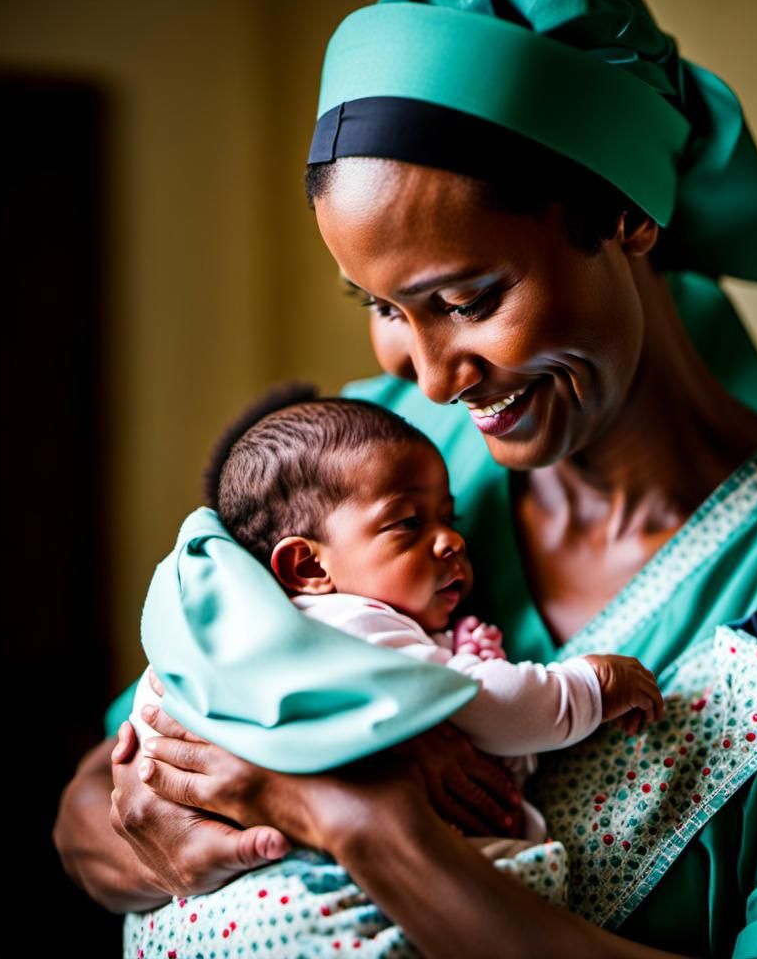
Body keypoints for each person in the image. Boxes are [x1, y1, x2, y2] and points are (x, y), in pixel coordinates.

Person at [55, 0, 757, 957]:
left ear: (629, 215)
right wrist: (159, 839)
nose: (432, 378)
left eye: (467, 300)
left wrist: (365, 826)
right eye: (383, 307)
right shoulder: (367, 459)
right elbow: (96, 796)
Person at [121, 388, 663, 955]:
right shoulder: (348, 624)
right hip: (308, 901)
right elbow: (485, 703)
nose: (452, 540)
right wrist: (589, 687)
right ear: (307, 566)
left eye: (449, 519)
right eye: (407, 523)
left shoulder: (245, 635)